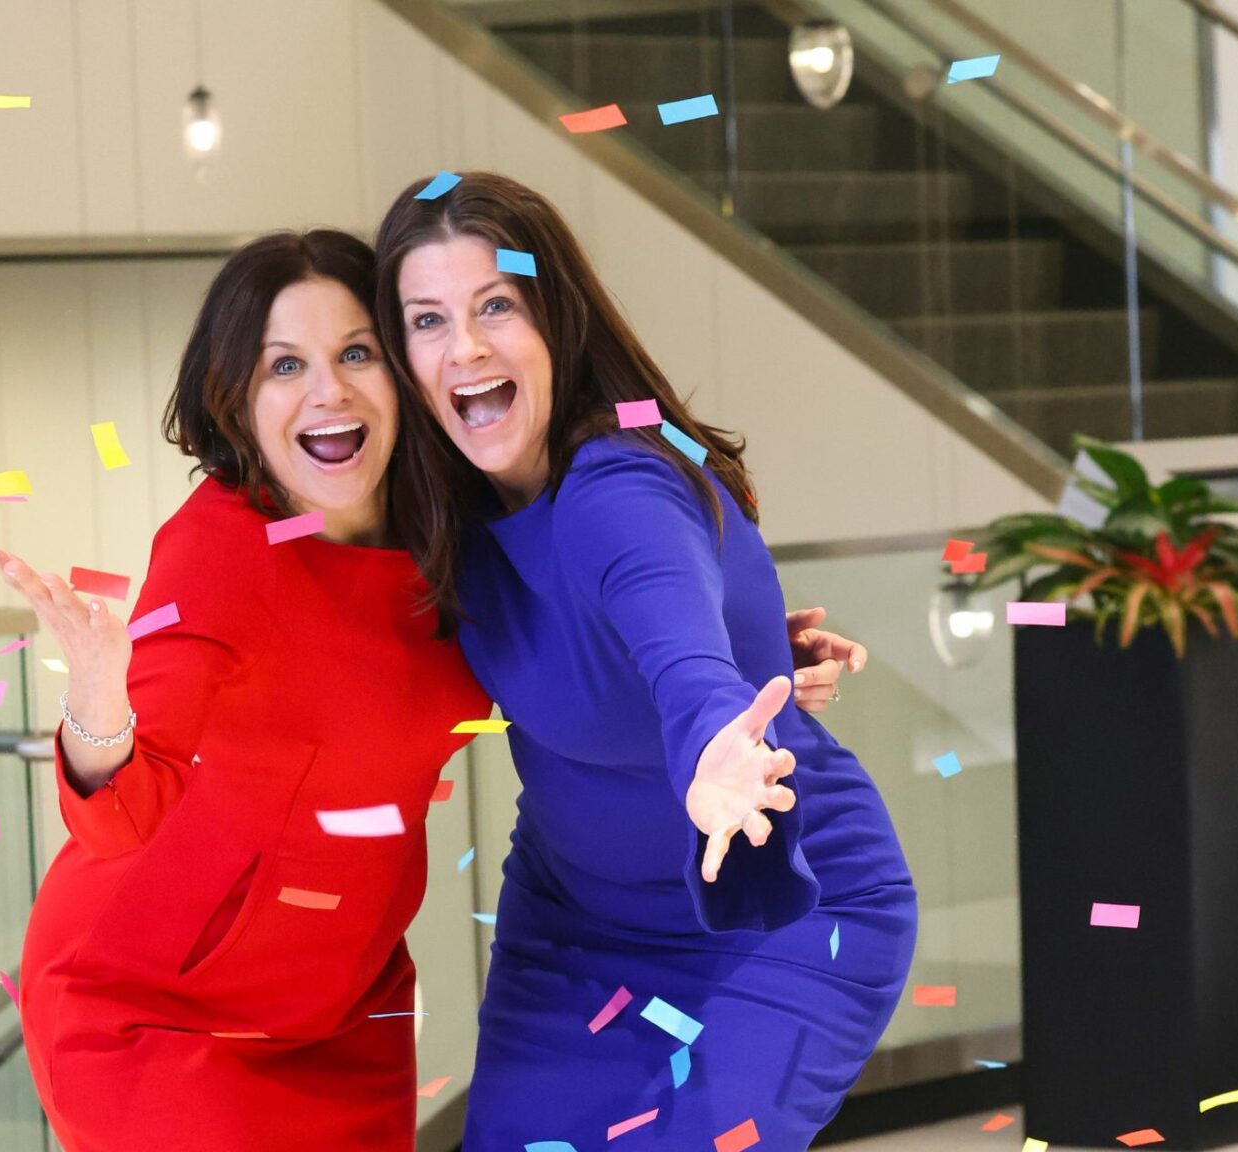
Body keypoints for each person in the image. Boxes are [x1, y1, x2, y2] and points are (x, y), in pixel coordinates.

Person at [0, 230, 868, 1150]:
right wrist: (96, 704)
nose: (327, 392)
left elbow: (574, 627)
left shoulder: (450, 533)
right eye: (284, 364)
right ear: (238, 399)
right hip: (163, 1010)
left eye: (355, 353)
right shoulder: (221, 549)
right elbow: (121, 820)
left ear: (403, 376)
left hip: (345, 1012)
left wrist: (741, 660)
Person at [375, 171, 919, 1150]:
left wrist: (716, 742)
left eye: (495, 305)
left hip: (774, 913)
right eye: (426, 319)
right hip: (572, 924)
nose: (464, 347)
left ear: (556, 318)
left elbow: (676, 648)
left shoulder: (615, 479)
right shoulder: (446, 513)